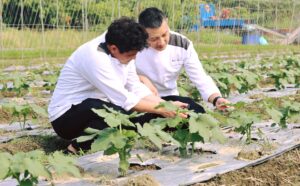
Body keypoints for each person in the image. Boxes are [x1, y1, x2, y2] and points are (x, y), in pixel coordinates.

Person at [48, 17, 188, 153]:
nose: (134, 59)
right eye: (131, 55)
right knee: (116, 113)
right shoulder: (95, 57)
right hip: (66, 118)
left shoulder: (123, 46)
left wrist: (165, 104)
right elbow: (125, 100)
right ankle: (75, 148)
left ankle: (78, 145)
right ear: (114, 48)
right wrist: (161, 110)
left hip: (98, 110)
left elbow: (134, 86)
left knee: (113, 117)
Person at [136, 7, 230, 113]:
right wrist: (140, 78)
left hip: (170, 97)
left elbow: (200, 77)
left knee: (197, 112)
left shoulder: (183, 44)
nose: (161, 42)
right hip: (141, 99)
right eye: (154, 39)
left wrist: (216, 99)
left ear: (167, 23)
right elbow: (120, 75)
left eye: (164, 35)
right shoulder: (133, 45)